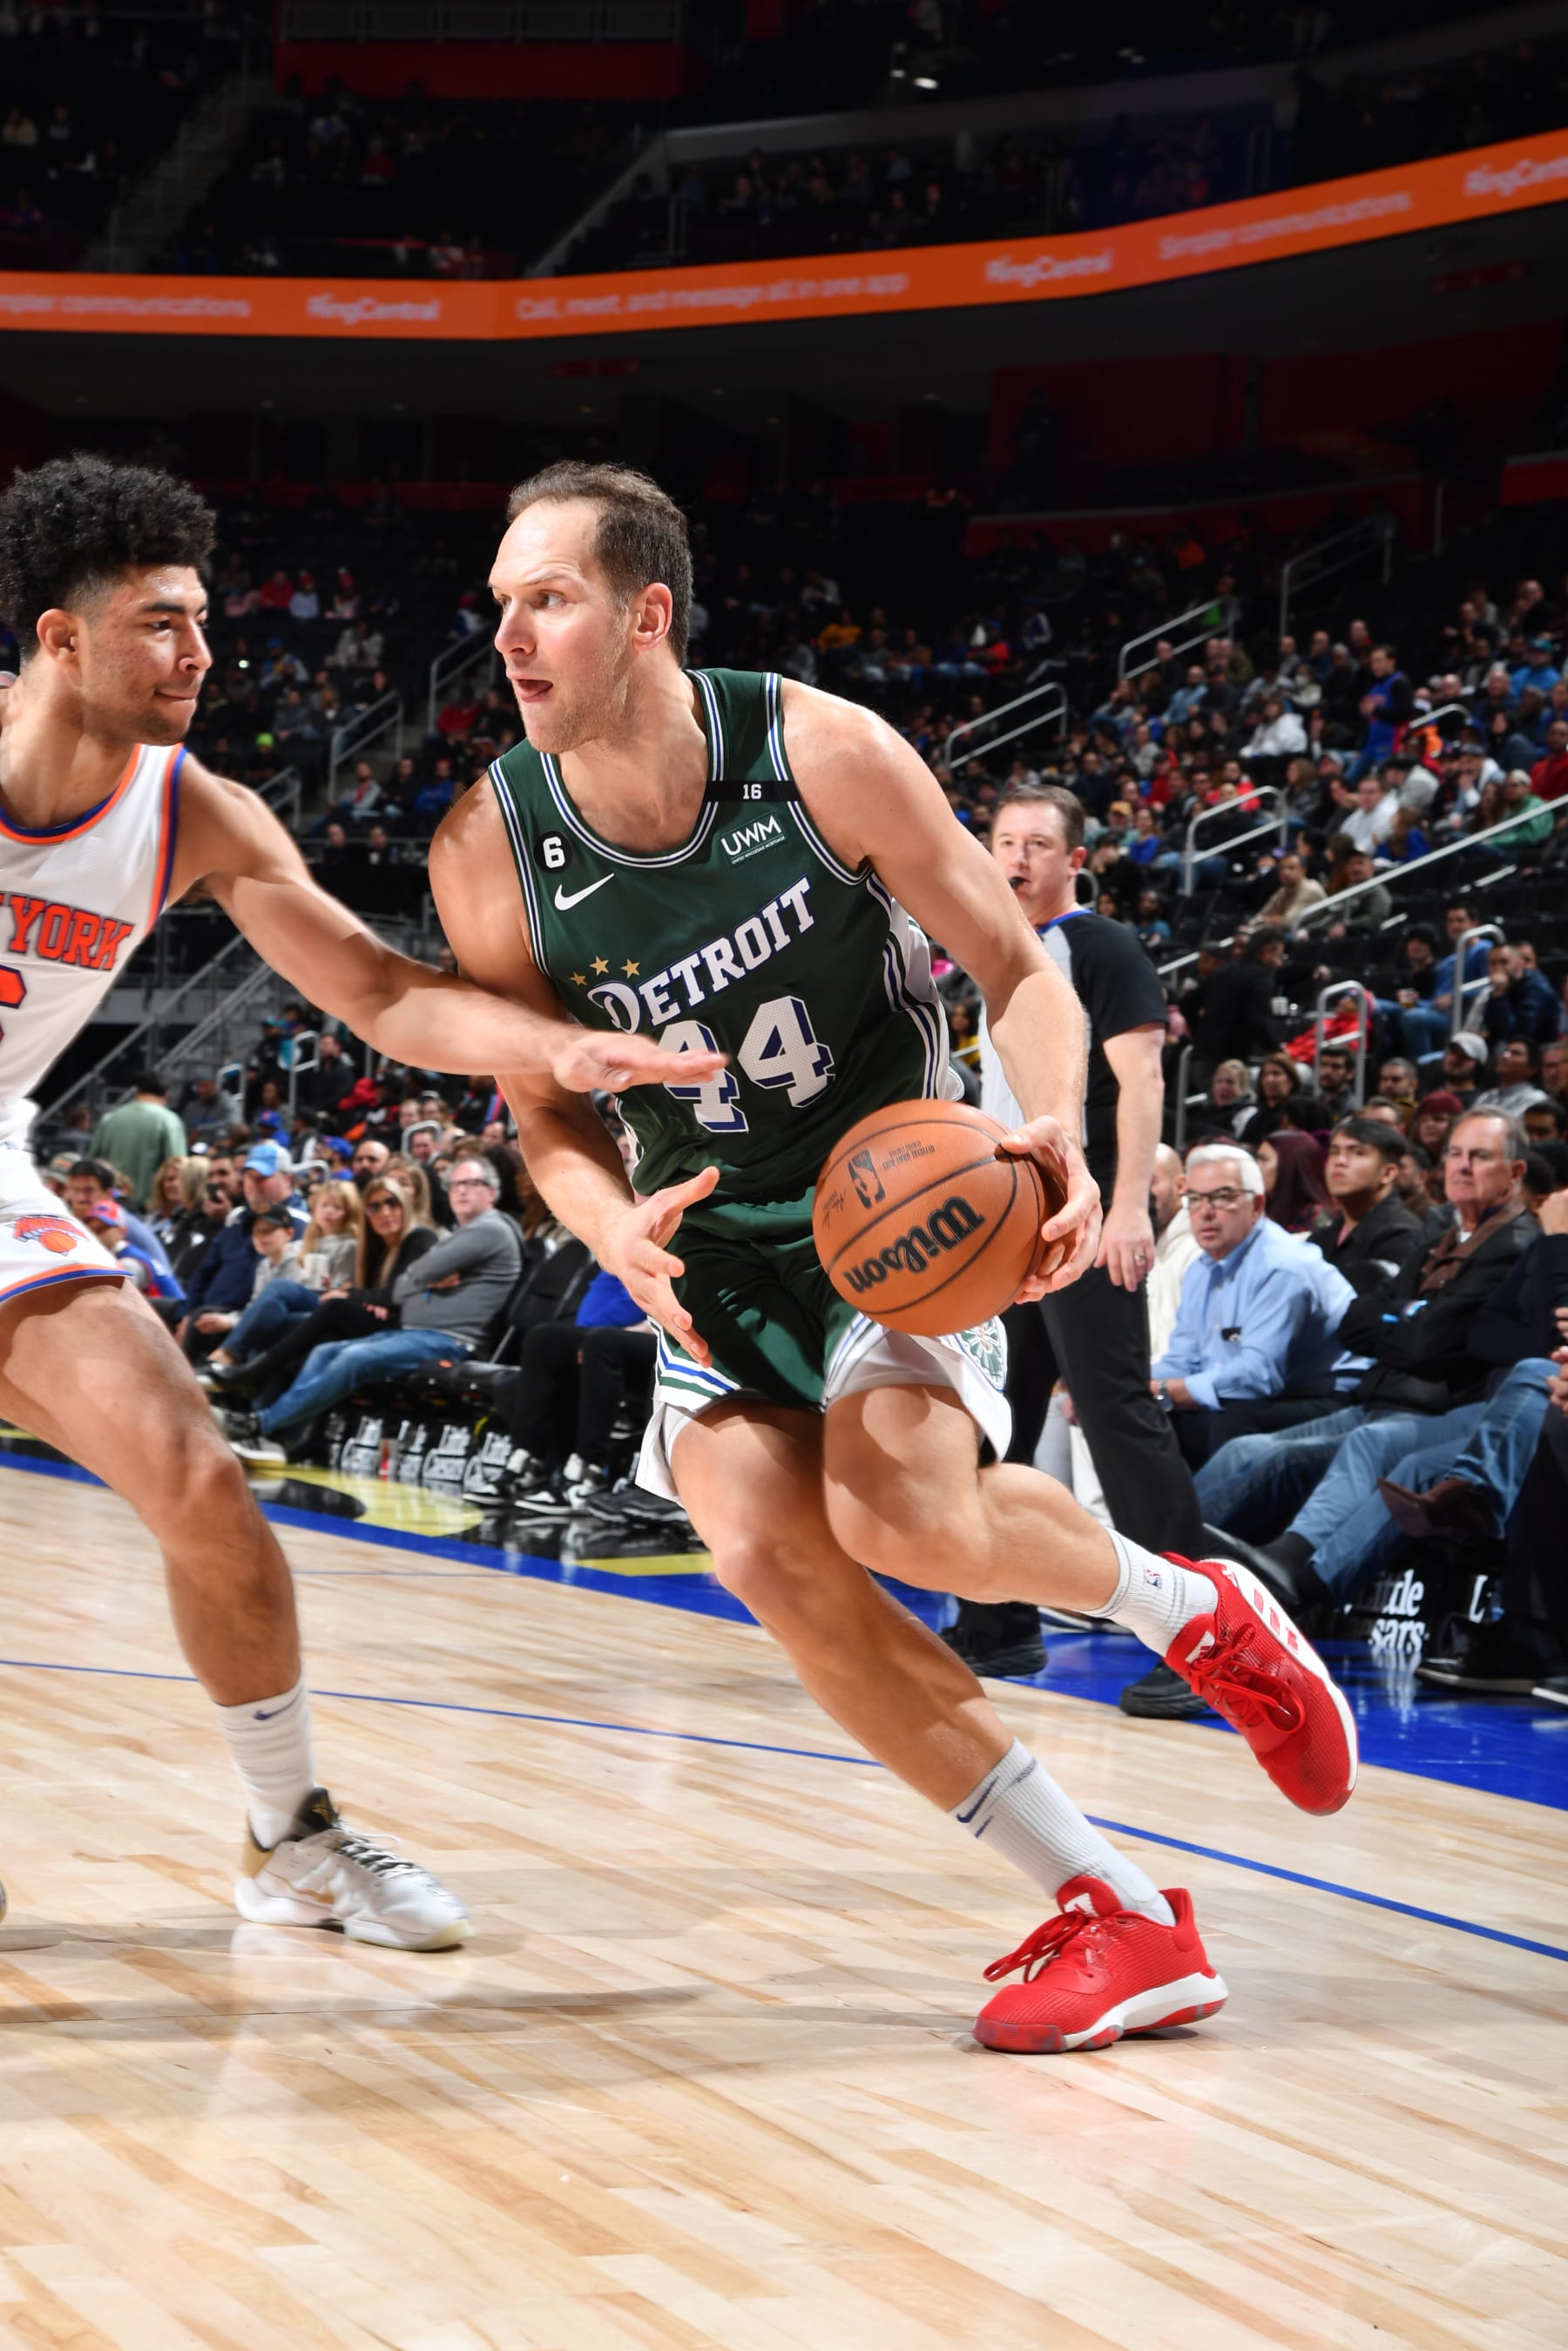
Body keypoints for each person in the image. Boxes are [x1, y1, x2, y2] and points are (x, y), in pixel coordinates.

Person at [427, 460, 1357, 2057]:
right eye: (501, 603)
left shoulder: (823, 752)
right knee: (766, 1554)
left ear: (647, 615)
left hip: (897, 1209)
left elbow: (1018, 967)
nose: (508, 635)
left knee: (901, 1516)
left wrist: (1055, 1131)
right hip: (711, 1254)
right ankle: (1120, 1910)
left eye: (548, 599)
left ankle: (1191, 1602)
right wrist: (603, 1224)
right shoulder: (487, 849)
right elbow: (544, 1116)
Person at [0, 453, 725, 1949]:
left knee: (200, 1477)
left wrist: (553, 1048)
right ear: (59, 639)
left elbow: (383, 992)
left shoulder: (194, 811)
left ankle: (293, 1837)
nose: (201, 652)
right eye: (159, 623)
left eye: (202, 619)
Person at [948, 781, 1207, 1679]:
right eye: (1004, 841)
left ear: (1075, 860)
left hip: (1083, 1211)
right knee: (991, 1421)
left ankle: (1199, 1639)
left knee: (1116, 1416)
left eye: (1037, 844)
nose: (1017, 858)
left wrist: (1130, 1205)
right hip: (1008, 1218)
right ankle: (997, 1624)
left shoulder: (1101, 944)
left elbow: (1142, 1082)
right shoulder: (995, 950)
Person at [1198, 1110, 1538, 1611]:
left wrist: (1402, 1318)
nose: (1462, 1166)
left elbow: (1428, 1346)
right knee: (1242, 1449)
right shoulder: (1439, 1230)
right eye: (1455, 1154)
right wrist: (1408, 1319)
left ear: (1515, 1172)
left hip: (1431, 1408)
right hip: (1375, 1397)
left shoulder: (1515, 1244)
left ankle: (1279, 1567)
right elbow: (1356, 1319)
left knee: (1305, 1454)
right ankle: (1144, 1555)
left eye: (1480, 1156)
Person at [230, 1151, 523, 1463]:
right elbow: (413, 1280)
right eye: (455, 1185)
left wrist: (420, 1279)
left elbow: (412, 1279)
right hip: (417, 1333)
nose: (461, 1191)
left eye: (472, 1183)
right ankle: (280, 1439)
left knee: (353, 1356)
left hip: (451, 1340)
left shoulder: (489, 1228)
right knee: (325, 1351)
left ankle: (261, 1424)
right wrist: (420, 1279)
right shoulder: (463, 1233)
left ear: (492, 1192)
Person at [1311, 1117, 1420, 1291]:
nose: (1340, 1161)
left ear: (1388, 1173)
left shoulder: (1404, 1237)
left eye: (1357, 1152)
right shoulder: (1321, 1237)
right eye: (1334, 1152)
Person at [90, 1069, 186, 1208]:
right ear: (166, 1095)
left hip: (110, 1206)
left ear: (137, 1093)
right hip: (149, 1206)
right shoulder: (169, 1120)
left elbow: (93, 1162)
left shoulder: (110, 1119)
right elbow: (177, 1167)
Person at [1258, 1132, 1333, 1233]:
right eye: (1257, 1159)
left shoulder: (1317, 1218)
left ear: (1289, 1164)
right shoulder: (1257, 1208)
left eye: (1264, 1159)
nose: (1256, 1166)